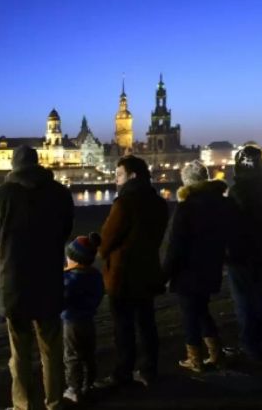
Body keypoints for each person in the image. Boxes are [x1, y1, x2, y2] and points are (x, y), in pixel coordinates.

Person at [0, 145, 74, 410]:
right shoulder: (59, 193)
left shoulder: (3, 194)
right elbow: (65, 228)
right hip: (49, 279)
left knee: (19, 352)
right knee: (51, 349)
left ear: (14, 165)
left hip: (15, 281)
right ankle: (54, 401)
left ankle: (23, 404)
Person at [98, 155, 168, 388]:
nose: (115, 180)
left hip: (123, 274)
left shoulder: (124, 203)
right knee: (147, 323)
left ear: (132, 176)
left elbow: (107, 239)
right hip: (147, 270)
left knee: (123, 327)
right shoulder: (158, 202)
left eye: (119, 175)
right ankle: (150, 370)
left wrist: (102, 250)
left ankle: (123, 372)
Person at [163, 160, 236, 371]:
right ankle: (216, 353)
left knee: (189, 314)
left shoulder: (186, 208)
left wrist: (165, 273)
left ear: (187, 182)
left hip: (188, 270)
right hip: (211, 266)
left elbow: (176, 245)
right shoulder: (223, 203)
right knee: (202, 310)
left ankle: (195, 359)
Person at [226, 146, 262, 362]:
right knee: (261, 297)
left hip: (240, 254)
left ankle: (250, 346)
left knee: (244, 301)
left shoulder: (237, 191)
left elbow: (232, 225)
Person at [61, 234, 105, 404]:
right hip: (88, 320)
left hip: (72, 322)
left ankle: (74, 388)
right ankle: (89, 383)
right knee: (88, 354)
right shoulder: (94, 276)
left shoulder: (70, 278)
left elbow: (63, 299)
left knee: (72, 355)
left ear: (75, 259)